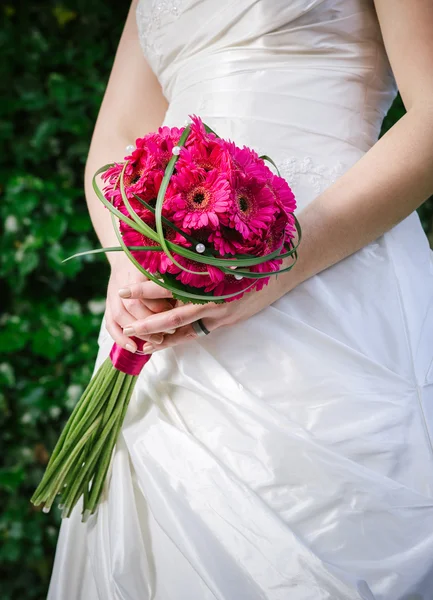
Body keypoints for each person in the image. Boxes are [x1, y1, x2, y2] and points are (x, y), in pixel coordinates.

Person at [48, 1, 433, 598]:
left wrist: (275, 268)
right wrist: (131, 266)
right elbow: (117, 139)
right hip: (162, 297)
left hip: (333, 277)